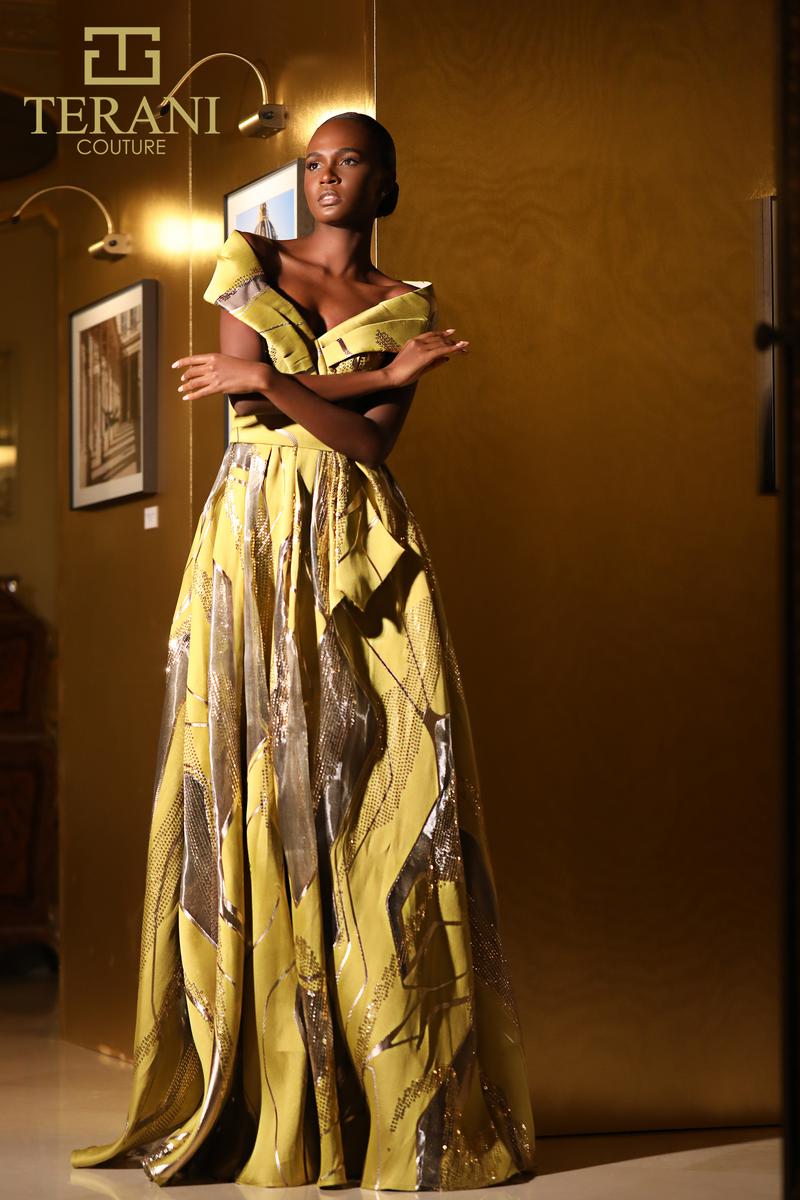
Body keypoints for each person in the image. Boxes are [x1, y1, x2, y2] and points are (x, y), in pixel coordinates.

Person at [70, 111, 536, 1190]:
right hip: (251, 544)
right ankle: (265, 1093)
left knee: (386, 788)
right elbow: (247, 405)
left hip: (364, 550)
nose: (327, 176)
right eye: (313, 162)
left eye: (349, 161)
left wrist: (280, 386)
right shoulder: (249, 262)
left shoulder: (407, 304)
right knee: (258, 783)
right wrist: (372, 376)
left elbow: (365, 442)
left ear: (386, 182)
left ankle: (393, 1096)